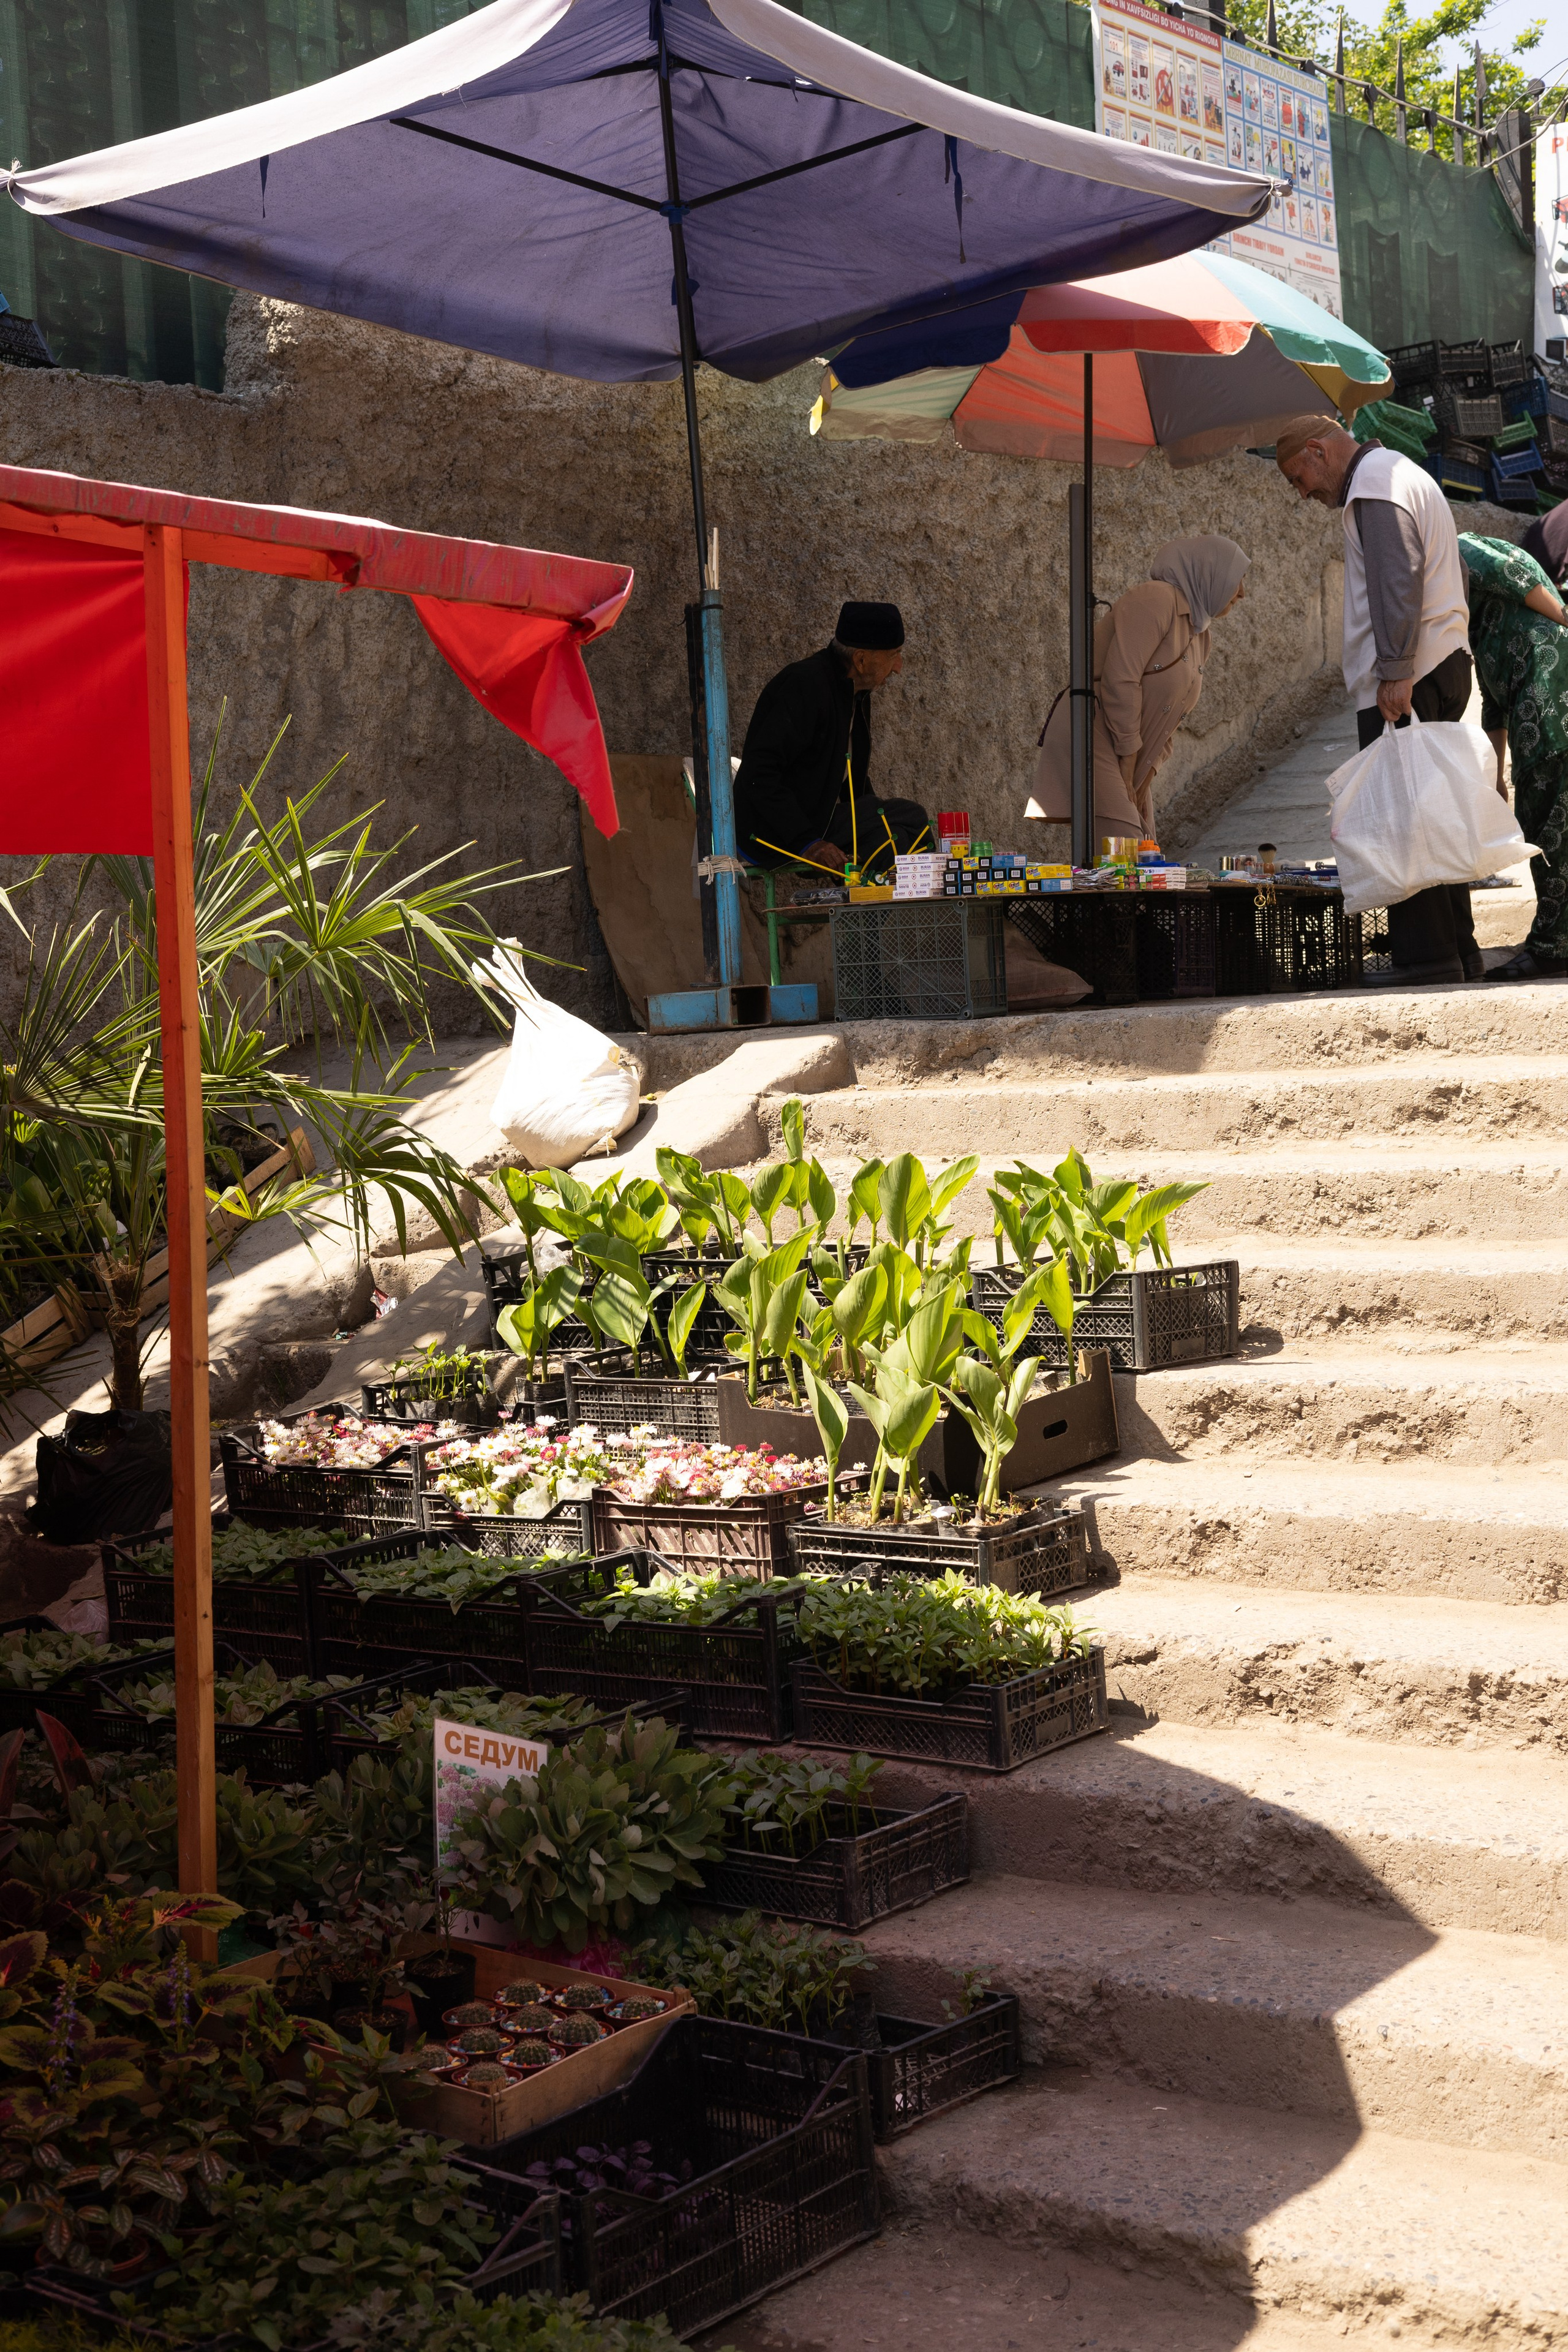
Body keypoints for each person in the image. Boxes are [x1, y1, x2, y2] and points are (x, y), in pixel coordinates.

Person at [1275, 413, 1479, 987]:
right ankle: (1458, 952)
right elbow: (1455, 570)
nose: (1303, 492)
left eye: (1299, 477)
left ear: (1318, 451)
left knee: (1403, 823)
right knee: (1431, 818)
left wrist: (1394, 670)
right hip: (1440, 661)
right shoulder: (1404, 473)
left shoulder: (1373, 484)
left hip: (1409, 676)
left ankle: (1427, 960)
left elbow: (1397, 578)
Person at [1027, 537, 1251, 840]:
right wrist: (1129, 761)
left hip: (1127, 750)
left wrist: (1146, 773)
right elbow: (1122, 679)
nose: (1243, 592)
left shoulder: (1200, 635)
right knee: (1126, 849)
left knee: (1145, 854)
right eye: (1238, 578)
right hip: (1093, 730)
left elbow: (1173, 716)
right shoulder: (1156, 599)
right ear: (1211, 572)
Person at [734, 601, 929, 875]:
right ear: (861, 660)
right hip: (777, 834)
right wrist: (808, 843)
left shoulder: (857, 692)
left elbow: (848, 775)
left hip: (817, 823)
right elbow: (758, 775)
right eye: (893, 655)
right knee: (913, 816)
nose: (898, 667)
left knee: (894, 840)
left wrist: (872, 817)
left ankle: (865, 919)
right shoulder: (804, 685)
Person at [1457, 533, 1568, 981]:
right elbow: (1493, 695)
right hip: (1534, 699)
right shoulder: (1483, 625)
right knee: (1547, 819)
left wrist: (1564, 618)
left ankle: (1551, 948)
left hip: (1550, 692)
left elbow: (1511, 573)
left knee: (1549, 824)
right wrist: (1495, 774)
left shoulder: (1455, 547)